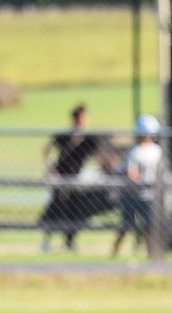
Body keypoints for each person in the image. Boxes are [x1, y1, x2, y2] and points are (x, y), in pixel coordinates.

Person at [39, 104, 100, 251]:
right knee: (56, 208)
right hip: (61, 178)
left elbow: (99, 155)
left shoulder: (88, 139)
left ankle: (70, 241)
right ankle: (47, 240)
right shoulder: (65, 136)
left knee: (75, 210)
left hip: (77, 180)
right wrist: (50, 167)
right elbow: (47, 149)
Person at [111, 114, 163, 258]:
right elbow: (131, 172)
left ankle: (152, 254)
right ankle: (114, 253)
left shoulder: (157, 151)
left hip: (149, 195)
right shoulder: (134, 151)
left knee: (149, 226)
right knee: (126, 225)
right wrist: (142, 181)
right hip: (132, 194)